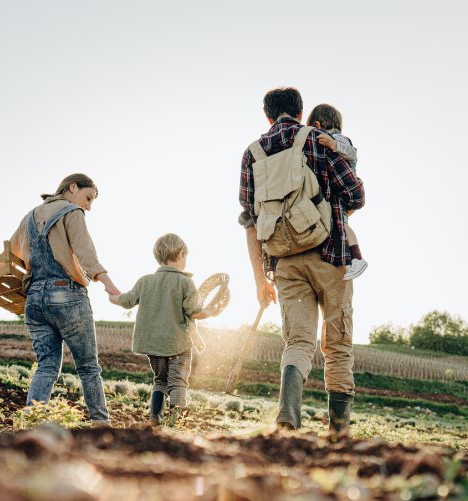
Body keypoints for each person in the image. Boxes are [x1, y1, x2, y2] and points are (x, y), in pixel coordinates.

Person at [239, 87, 366, 434]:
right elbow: (356, 194)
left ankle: (287, 419)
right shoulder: (317, 140)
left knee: (298, 343)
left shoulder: (252, 154)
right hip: (331, 254)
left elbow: (250, 221)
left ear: (268, 116)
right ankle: (338, 431)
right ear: (301, 112)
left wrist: (259, 280)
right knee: (337, 343)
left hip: (284, 262)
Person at [10, 173, 122, 427]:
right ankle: (101, 426)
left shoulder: (30, 216)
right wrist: (109, 285)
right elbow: (86, 254)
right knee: (88, 367)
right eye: (88, 197)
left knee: (46, 366)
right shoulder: (72, 212)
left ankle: (32, 423)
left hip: (35, 299)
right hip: (66, 295)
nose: (89, 206)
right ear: (73, 188)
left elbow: (14, 251)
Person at [110, 233, 216, 425]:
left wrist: (113, 298)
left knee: (160, 380)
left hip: (153, 344)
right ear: (182, 254)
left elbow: (126, 300)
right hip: (179, 344)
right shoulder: (185, 282)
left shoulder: (145, 281)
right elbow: (193, 311)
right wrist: (210, 311)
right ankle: (176, 421)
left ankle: (155, 418)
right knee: (178, 382)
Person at [306, 103, 367, 281]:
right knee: (340, 224)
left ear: (317, 125)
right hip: (338, 191)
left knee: (343, 225)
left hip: (343, 191)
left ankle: (357, 258)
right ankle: (352, 257)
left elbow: (352, 153)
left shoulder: (340, 138)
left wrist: (334, 144)